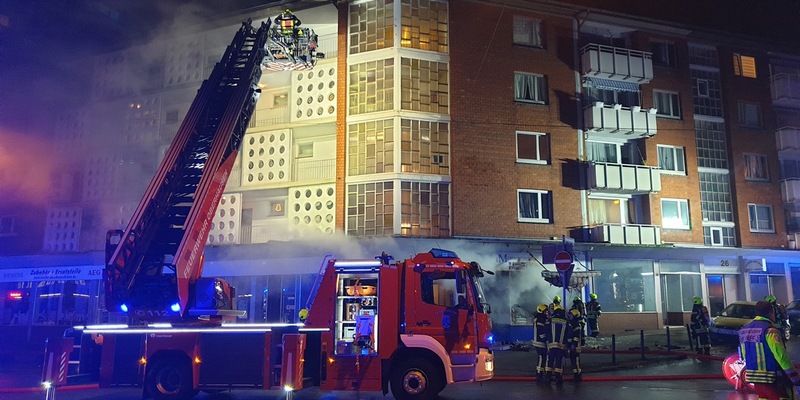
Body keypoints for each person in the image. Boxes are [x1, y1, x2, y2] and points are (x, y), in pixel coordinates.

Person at [739, 301, 800, 400]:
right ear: (771, 312)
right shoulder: (770, 330)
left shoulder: (744, 330)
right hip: (775, 379)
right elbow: (781, 356)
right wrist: (794, 377)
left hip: (755, 378)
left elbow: (745, 355)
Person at [546, 303, 568, 385]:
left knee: (550, 361)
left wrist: (547, 341)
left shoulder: (550, 320)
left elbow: (546, 331)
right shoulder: (566, 322)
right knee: (559, 361)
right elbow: (568, 333)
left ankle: (548, 377)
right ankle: (558, 378)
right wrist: (568, 343)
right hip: (561, 346)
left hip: (551, 345)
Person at [532, 303, 551, 384]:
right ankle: (539, 375)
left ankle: (541, 374)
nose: (546, 313)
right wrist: (546, 340)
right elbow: (541, 333)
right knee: (541, 358)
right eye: (545, 312)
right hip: (539, 342)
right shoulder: (539, 320)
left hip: (540, 342)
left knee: (543, 358)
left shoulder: (540, 319)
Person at [566, 308, 583, 381]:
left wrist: (573, 344)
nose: (569, 316)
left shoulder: (577, 325)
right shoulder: (571, 324)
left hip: (576, 347)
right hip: (572, 346)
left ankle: (578, 375)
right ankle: (575, 375)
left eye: (571, 315)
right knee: (573, 361)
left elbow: (576, 336)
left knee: (576, 361)